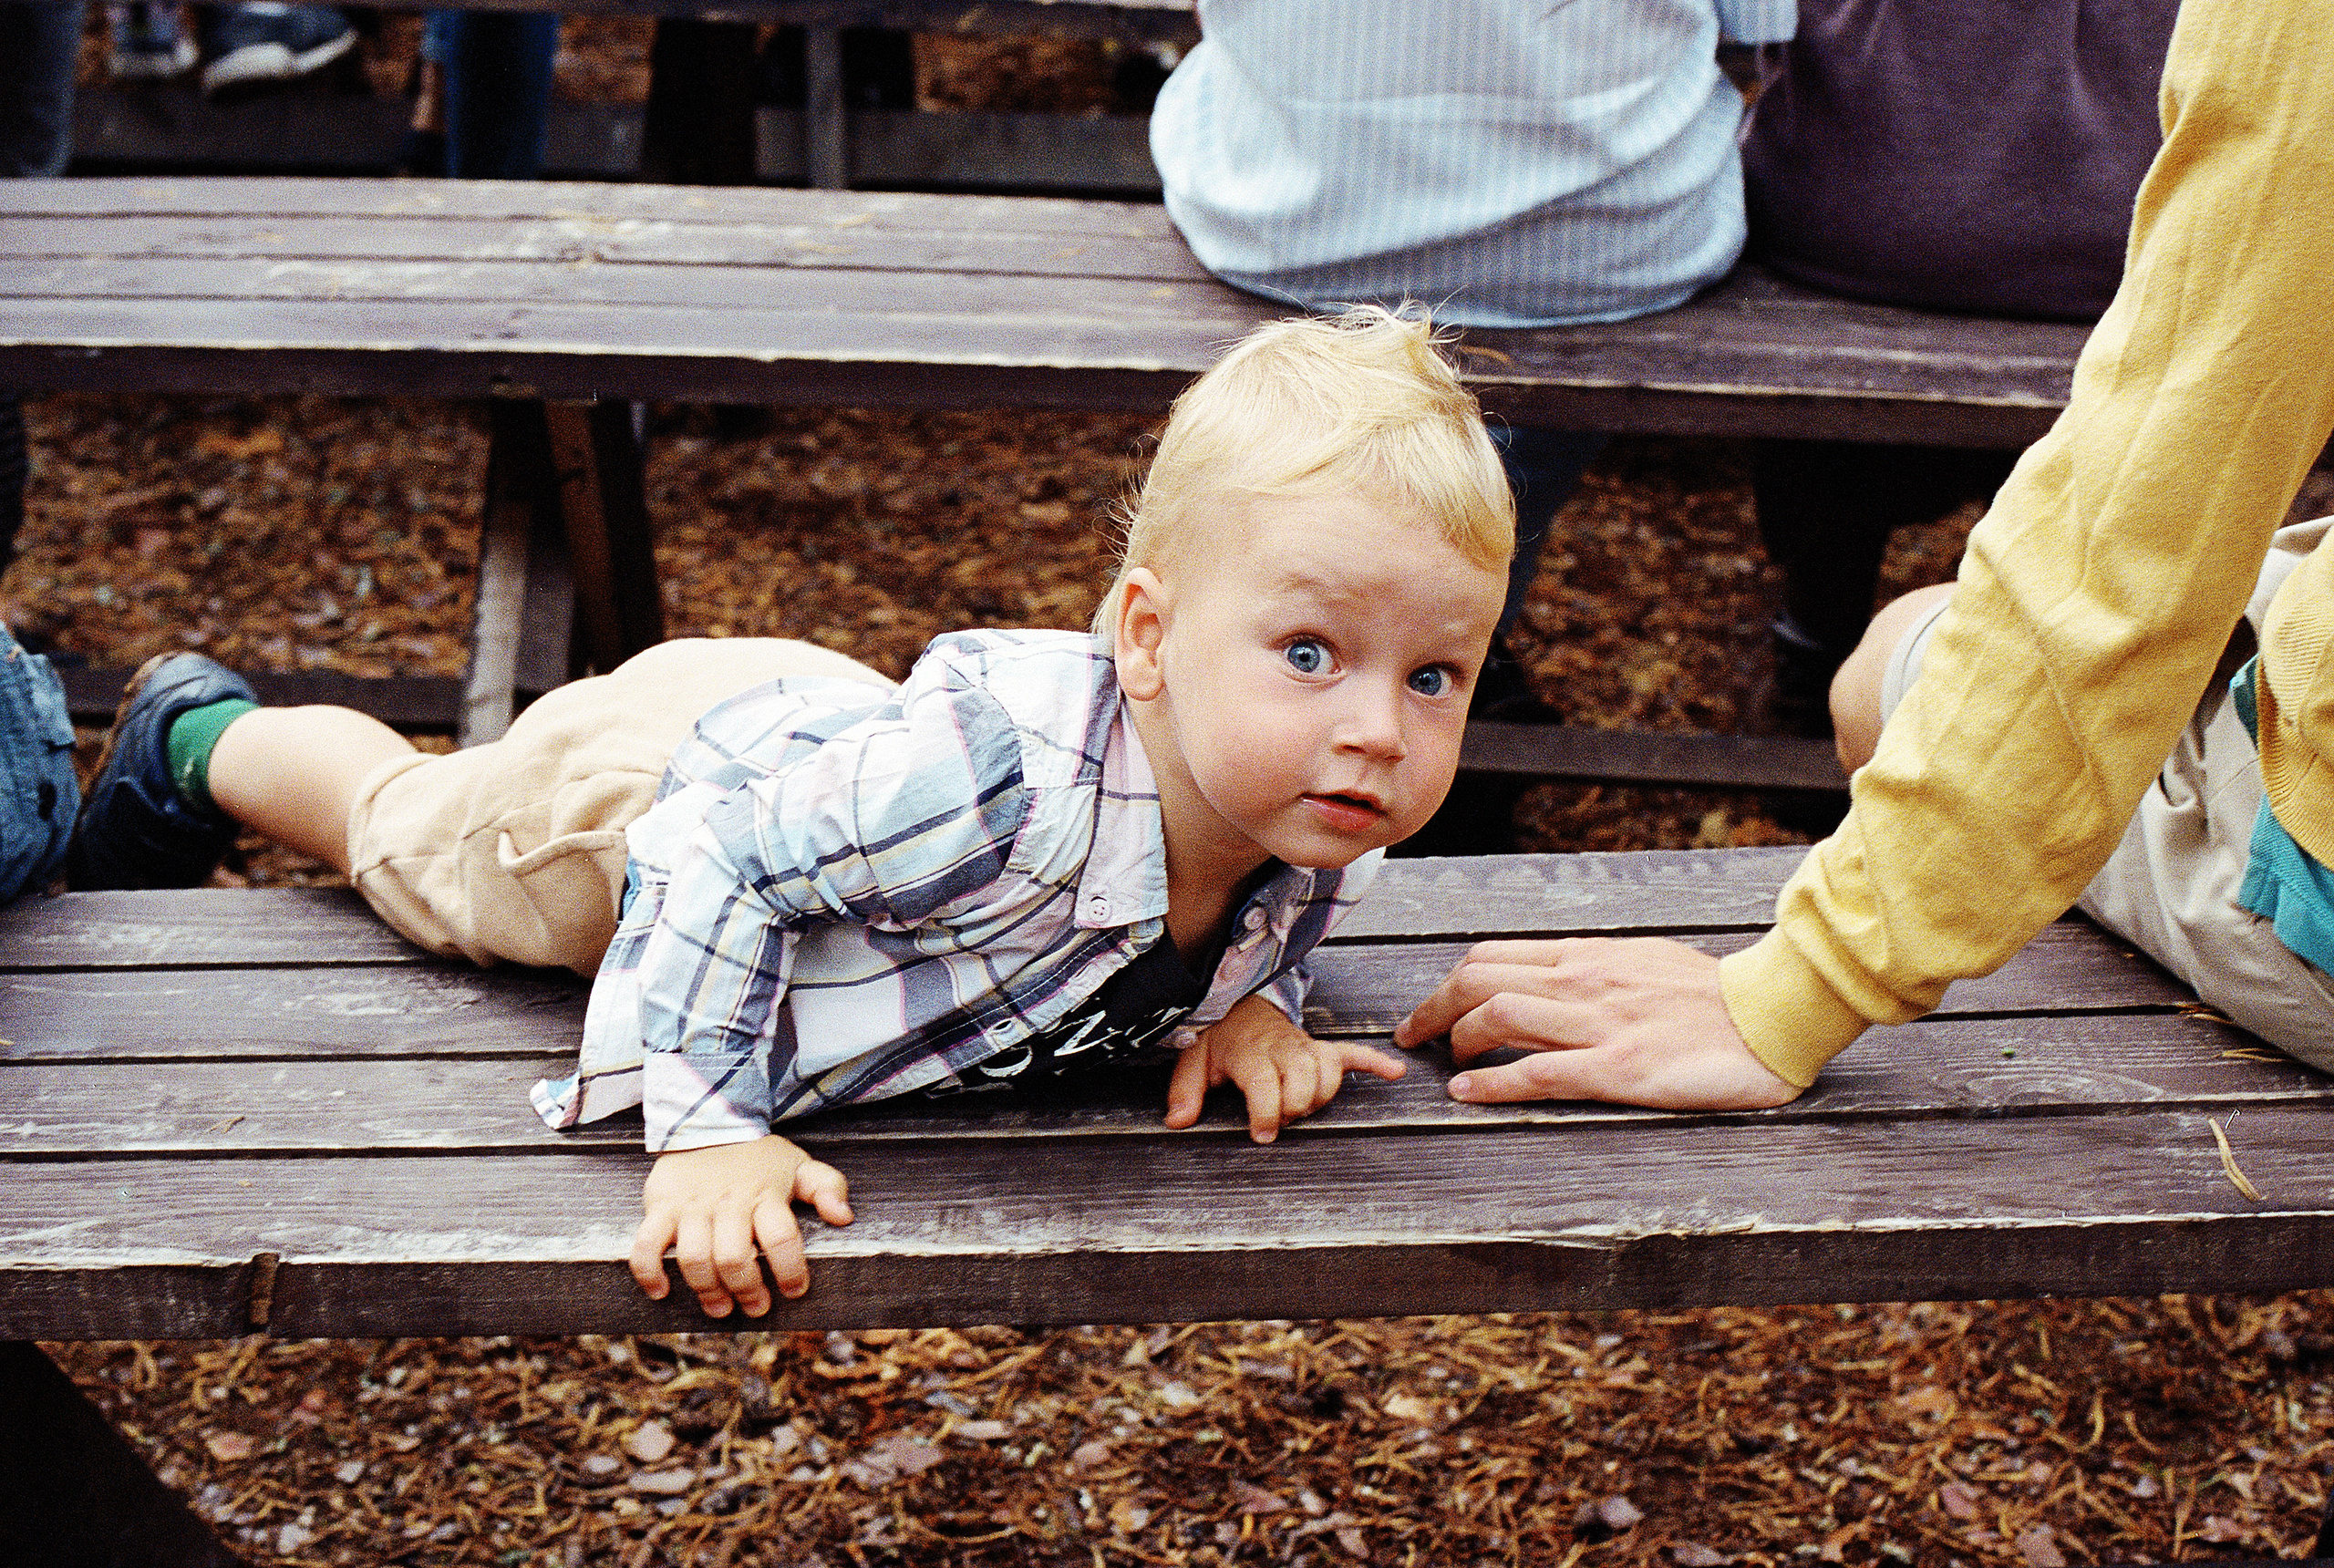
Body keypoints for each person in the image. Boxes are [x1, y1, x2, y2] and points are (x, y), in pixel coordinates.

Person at [67, 307, 1517, 1315]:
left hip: (842, 770)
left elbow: (1271, 909)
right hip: (645, 805)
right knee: (407, 831)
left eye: (1433, 675)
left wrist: (1245, 1002)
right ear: (1149, 635)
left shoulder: (1325, 808)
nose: (1378, 729)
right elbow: (714, 857)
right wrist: (709, 1132)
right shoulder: (998, 792)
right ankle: (198, 738)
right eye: (1310, 653)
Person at [1391, 0, 2334, 1107]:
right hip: (2083, 271)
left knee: (1887, 663)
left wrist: (1805, 982)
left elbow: (2145, 524)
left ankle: (1815, 627)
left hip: (1853, 240)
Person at [1149, 0, 1796, 834]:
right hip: (1600, 244)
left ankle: (1359, 671)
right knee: (1499, 485)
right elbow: (1769, 21)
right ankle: (1441, 665)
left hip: (1292, 216)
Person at [1738, 0, 2178, 730]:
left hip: (1855, 228)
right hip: (2107, 240)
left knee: (1828, 408)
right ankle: (2030, 660)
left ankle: (1815, 639)